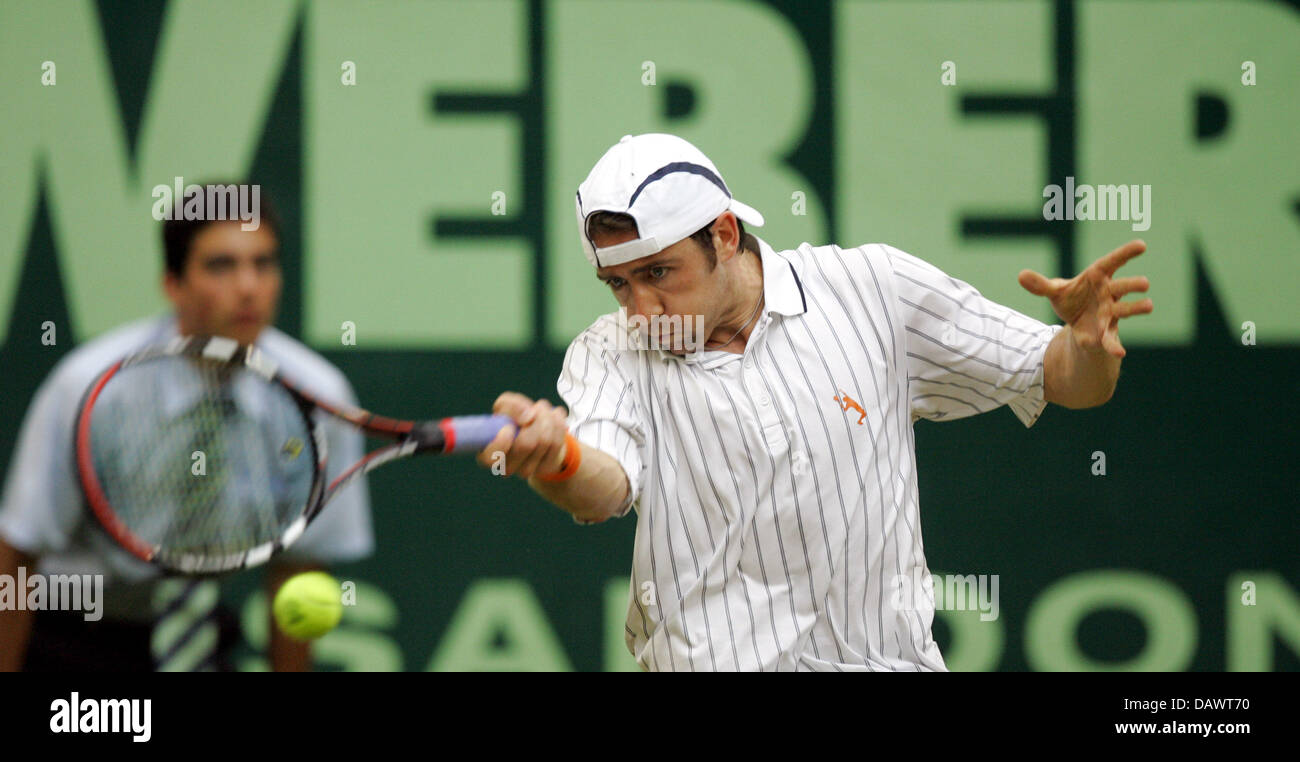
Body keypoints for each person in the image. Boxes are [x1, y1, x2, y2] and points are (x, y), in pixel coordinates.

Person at [476, 133, 1154, 671]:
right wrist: (556, 459)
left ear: (724, 234)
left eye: (658, 273)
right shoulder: (608, 352)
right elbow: (603, 488)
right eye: (619, 285)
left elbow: (1066, 381)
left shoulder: (874, 288)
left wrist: (1086, 343)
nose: (642, 306)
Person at [0, 184, 373, 671]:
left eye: (263, 264)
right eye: (221, 265)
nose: (248, 286)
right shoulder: (88, 388)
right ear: (173, 283)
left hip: (199, 637)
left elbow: (296, 574)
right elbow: (16, 556)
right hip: (73, 638)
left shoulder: (318, 396)